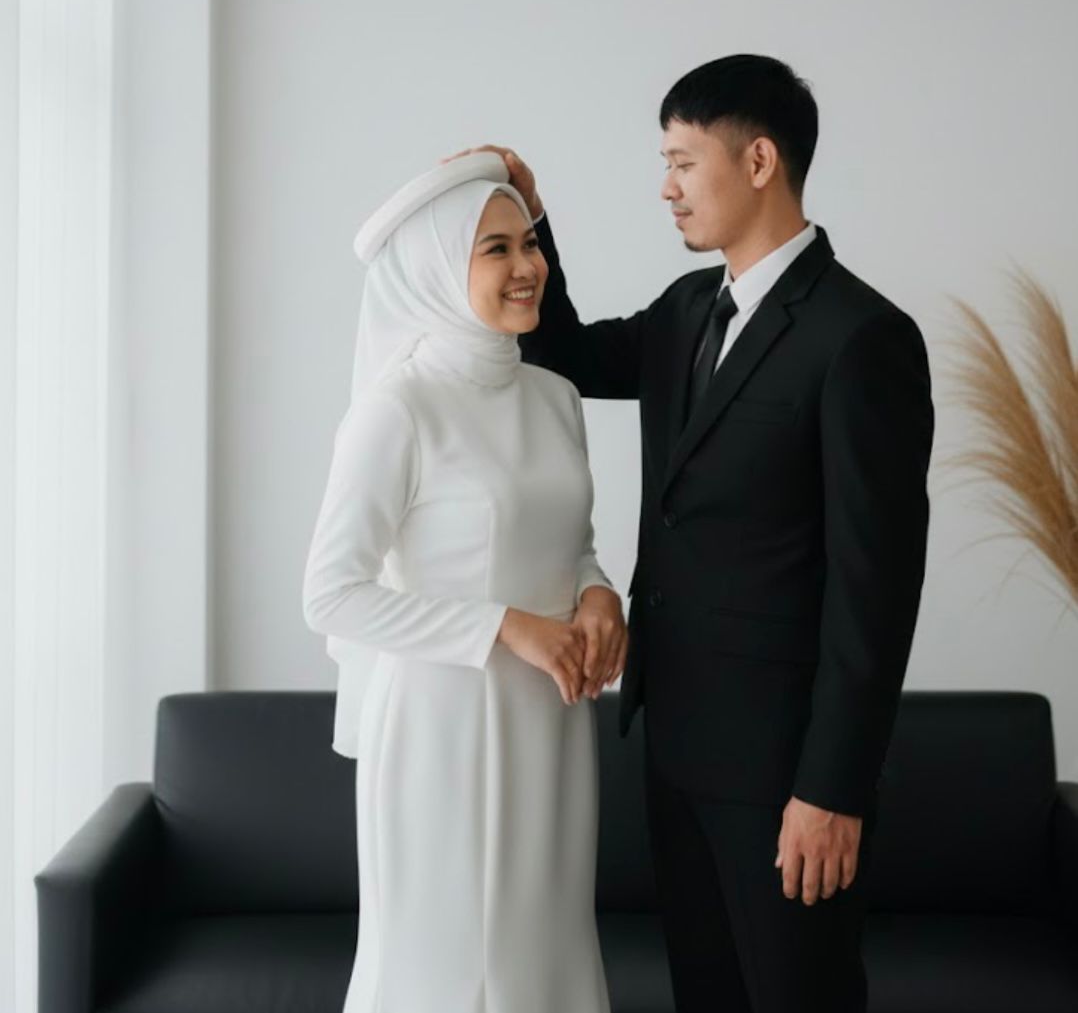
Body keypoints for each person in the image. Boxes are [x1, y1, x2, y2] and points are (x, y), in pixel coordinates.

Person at [450, 53, 935, 1013]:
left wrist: (832, 790)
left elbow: (875, 592)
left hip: (786, 775)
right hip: (673, 746)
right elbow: (563, 351)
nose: (665, 187)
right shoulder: (685, 311)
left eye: (681, 162)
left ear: (758, 161)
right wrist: (530, 218)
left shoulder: (862, 336)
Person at [302, 151, 626, 1013]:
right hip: (439, 733)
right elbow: (330, 592)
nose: (528, 266)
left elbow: (571, 544)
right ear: (439, 267)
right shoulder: (398, 409)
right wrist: (505, 626)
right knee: (447, 971)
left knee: (543, 959)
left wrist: (598, 592)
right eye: (496, 248)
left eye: (530, 243)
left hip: (553, 726)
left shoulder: (556, 398)